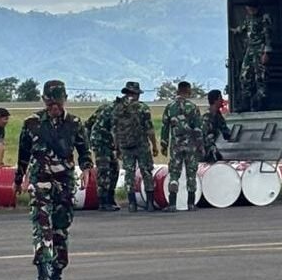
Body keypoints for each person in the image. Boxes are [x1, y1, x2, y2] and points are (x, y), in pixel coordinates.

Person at [14, 80, 93, 280]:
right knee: (41, 226)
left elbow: (84, 151)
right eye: (49, 103)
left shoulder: (75, 123)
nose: (53, 107)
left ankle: (57, 274)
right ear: (44, 101)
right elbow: (23, 153)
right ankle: (42, 273)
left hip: (64, 182)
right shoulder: (32, 123)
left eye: (57, 103)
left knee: (60, 228)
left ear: (64, 100)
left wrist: (86, 171)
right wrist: (18, 178)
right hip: (40, 180)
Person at [112, 81, 159, 212]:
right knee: (146, 171)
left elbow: (115, 130)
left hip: (125, 146)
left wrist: (117, 147)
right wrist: (154, 146)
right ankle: (149, 203)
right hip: (141, 145)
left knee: (129, 173)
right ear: (136, 94)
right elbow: (149, 130)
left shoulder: (117, 108)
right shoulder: (142, 108)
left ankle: (132, 204)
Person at [160, 81, 203, 212]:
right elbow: (198, 129)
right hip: (190, 145)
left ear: (178, 91)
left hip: (176, 145)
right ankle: (191, 203)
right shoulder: (193, 107)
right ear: (188, 91)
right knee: (191, 172)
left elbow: (164, 127)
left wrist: (164, 143)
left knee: (174, 171)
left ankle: (172, 202)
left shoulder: (170, 107)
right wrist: (200, 145)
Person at [231, 4, 272, 111]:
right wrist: (234, 30)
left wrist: (266, 53)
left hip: (260, 49)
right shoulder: (248, 18)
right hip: (250, 50)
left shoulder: (264, 18)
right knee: (244, 76)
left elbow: (268, 35)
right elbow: (243, 28)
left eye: (251, 8)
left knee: (260, 77)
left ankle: (261, 103)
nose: (249, 10)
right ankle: (245, 102)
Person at [85, 96, 122, 212]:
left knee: (115, 168)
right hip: (101, 143)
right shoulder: (114, 112)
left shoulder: (105, 107)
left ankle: (110, 198)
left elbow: (88, 123)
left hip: (105, 143)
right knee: (104, 170)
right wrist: (118, 149)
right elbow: (116, 132)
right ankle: (103, 201)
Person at [201, 89, 231, 163]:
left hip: (211, 147)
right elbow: (203, 137)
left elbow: (226, 133)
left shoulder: (218, 116)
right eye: (220, 98)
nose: (222, 100)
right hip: (205, 150)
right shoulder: (206, 117)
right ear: (215, 100)